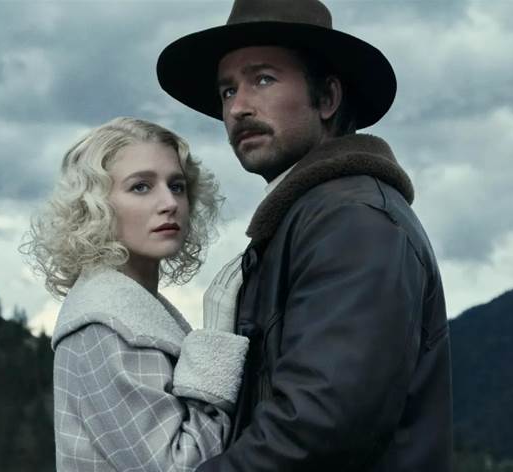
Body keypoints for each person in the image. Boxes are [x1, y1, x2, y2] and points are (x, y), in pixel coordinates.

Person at [157, 0, 454, 470]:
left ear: (328, 98)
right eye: (228, 90)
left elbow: (320, 424)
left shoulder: (353, 221)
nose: (238, 108)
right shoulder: (311, 219)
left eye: (263, 79)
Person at [22, 117, 249, 471]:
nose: (169, 202)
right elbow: (182, 467)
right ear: (95, 205)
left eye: (177, 186)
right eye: (141, 187)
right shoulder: (104, 325)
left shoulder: (133, 310)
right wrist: (217, 336)